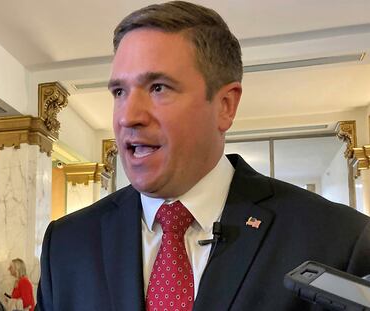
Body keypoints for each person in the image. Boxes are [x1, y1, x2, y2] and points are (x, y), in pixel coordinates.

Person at [37, 1, 370, 311]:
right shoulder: (68, 244)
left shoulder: (339, 240)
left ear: (225, 106)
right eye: (120, 92)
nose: (128, 116)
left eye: (158, 88)